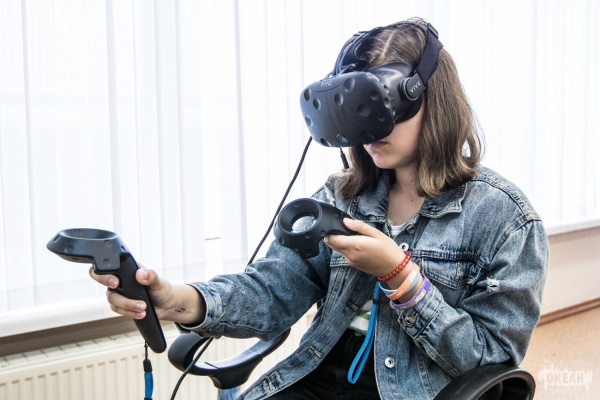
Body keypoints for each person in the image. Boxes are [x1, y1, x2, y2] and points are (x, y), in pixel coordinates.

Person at [91, 17, 548, 400]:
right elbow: (273, 290)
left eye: (381, 107)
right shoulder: (343, 196)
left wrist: (401, 277)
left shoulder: (505, 220)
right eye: (355, 110)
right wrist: (179, 300)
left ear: (426, 97)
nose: (369, 129)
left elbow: (489, 359)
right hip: (318, 371)